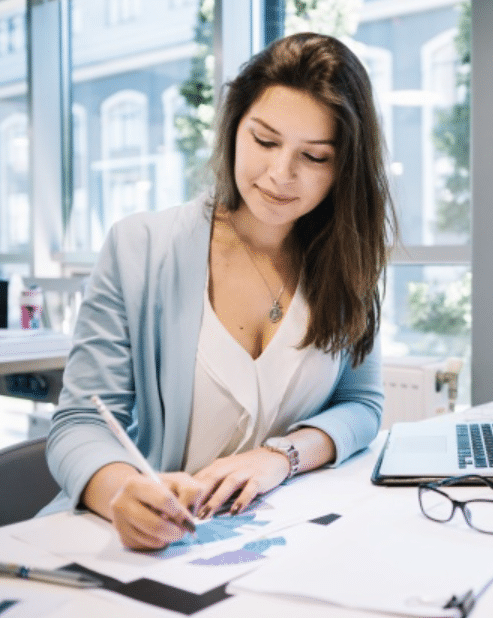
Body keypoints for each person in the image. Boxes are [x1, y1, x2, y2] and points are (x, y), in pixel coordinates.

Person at [42, 32, 396, 550]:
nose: (280, 174)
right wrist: (121, 493)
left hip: (269, 544)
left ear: (344, 167)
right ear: (235, 129)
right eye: (265, 141)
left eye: (314, 157)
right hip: (141, 550)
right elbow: (78, 422)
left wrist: (281, 456)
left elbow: (361, 406)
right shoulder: (141, 246)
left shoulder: (347, 261)